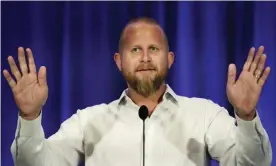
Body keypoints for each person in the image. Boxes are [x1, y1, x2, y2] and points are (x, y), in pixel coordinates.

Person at [3, 17, 272, 166]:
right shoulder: (88, 121)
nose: (145, 58)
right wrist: (29, 117)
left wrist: (246, 116)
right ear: (119, 62)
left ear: (170, 59)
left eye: (153, 49)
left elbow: (251, 165)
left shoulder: (204, 114)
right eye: (135, 50)